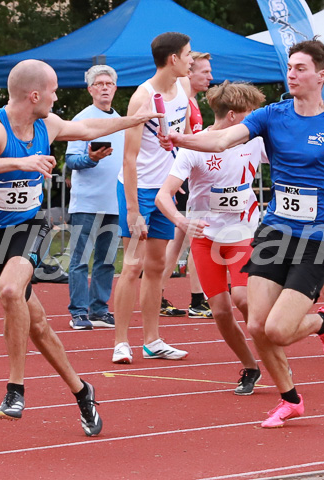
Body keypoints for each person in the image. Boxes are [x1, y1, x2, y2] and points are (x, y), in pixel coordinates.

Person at [161, 39, 324, 427]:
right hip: (274, 232)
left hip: (315, 238)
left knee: (277, 329)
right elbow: (223, 138)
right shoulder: (272, 116)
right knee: (257, 325)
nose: (291, 73)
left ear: (321, 75)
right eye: (289, 67)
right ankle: (290, 399)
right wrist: (181, 140)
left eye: (301, 68)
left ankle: (323, 322)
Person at [0, 59, 161, 435]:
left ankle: (15, 388)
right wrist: (20, 162)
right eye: (51, 91)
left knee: (11, 289)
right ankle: (83, 391)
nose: (55, 97)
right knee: (38, 326)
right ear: (34, 95)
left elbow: (87, 127)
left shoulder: (47, 124)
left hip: (28, 225)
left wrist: (132, 120)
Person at [156, 81, 266, 394]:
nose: (255, 119)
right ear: (233, 116)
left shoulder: (256, 140)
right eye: (250, 113)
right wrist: (181, 221)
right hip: (205, 238)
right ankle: (250, 366)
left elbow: (293, 160)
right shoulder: (195, 146)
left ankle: (272, 351)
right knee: (219, 310)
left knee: (243, 298)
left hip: (243, 232)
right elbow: (163, 195)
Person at [111, 32, 194, 365]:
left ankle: (152, 340)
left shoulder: (184, 90)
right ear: (172, 58)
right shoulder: (141, 98)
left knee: (157, 267)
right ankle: (120, 343)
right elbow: (128, 158)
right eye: (188, 54)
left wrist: (180, 172)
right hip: (139, 191)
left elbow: (181, 139)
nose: (192, 60)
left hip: (163, 192)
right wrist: (133, 209)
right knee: (132, 265)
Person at [64, 65, 123, 330]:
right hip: (86, 203)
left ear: (115, 88)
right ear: (90, 89)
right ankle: (78, 312)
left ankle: (99, 309)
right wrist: (91, 158)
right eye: (98, 84)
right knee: (79, 260)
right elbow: (70, 160)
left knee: (106, 260)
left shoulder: (121, 120)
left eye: (108, 83)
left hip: (115, 202)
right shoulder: (82, 119)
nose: (104, 88)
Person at [160, 51, 214, 319]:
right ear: (189, 72)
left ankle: (158, 292)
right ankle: (197, 299)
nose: (210, 77)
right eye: (204, 71)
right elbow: (181, 141)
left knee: (179, 240)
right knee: (195, 237)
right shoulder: (182, 95)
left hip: (188, 178)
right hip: (181, 179)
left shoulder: (193, 102)